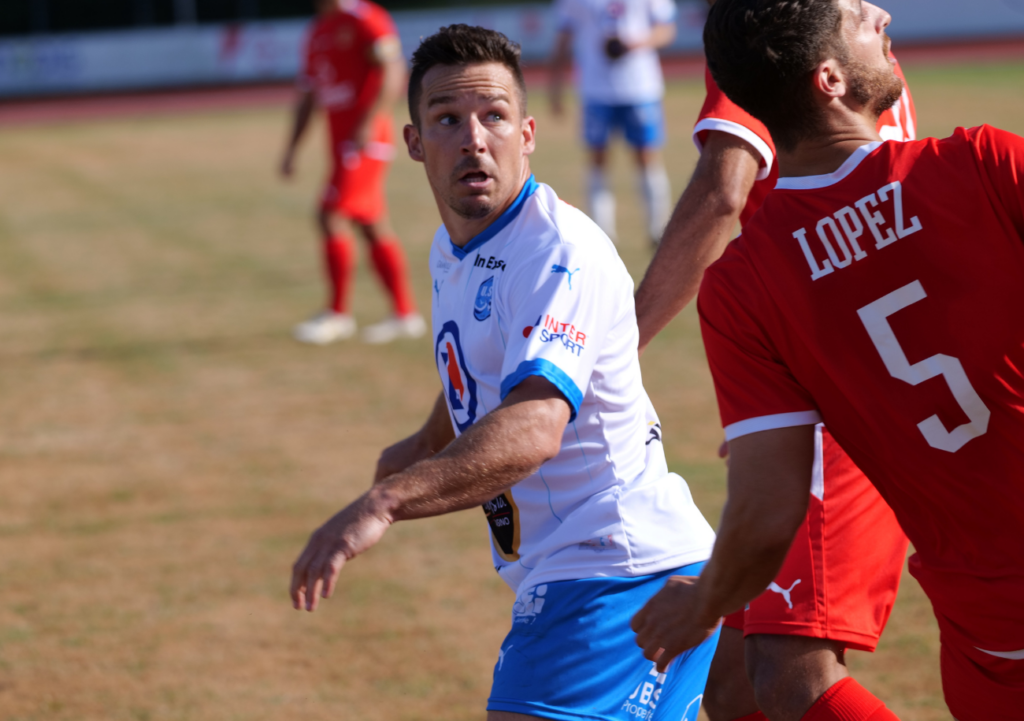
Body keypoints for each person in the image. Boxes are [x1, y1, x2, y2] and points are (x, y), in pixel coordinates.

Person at [291, 24, 721, 721]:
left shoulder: (555, 252)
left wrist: (386, 500)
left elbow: (534, 426)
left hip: (614, 570)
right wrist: (424, 440)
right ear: (413, 144)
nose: (473, 137)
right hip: (598, 568)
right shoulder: (454, 246)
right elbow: (492, 362)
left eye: (493, 115)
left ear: (526, 134)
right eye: (448, 120)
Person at [629, 1, 1024, 720]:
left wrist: (707, 596)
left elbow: (765, 504)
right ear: (831, 78)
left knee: (778, 678)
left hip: (990, 634)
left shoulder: (745, 285)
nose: (882, 14)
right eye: (854, 14)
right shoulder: (983, 162)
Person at [280, 0, 425, 345]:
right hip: (341, 145)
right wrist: (291, 148)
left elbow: (392, 70)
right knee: (371, 224)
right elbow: (310, 95)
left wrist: (371, 121)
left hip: (364, 143)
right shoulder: (317, 31)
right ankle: (406, 315)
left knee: (329, 215)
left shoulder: (365, 18)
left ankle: (337, 314)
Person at [549, 0, 677, 245]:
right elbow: (563, 37)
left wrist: (635, 43)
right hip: (595, 90)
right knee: (598, 160)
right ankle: (602, 233)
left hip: (641, 88)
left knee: (646, 157)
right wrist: (555, 86)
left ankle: (657, 230)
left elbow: (667, 29)